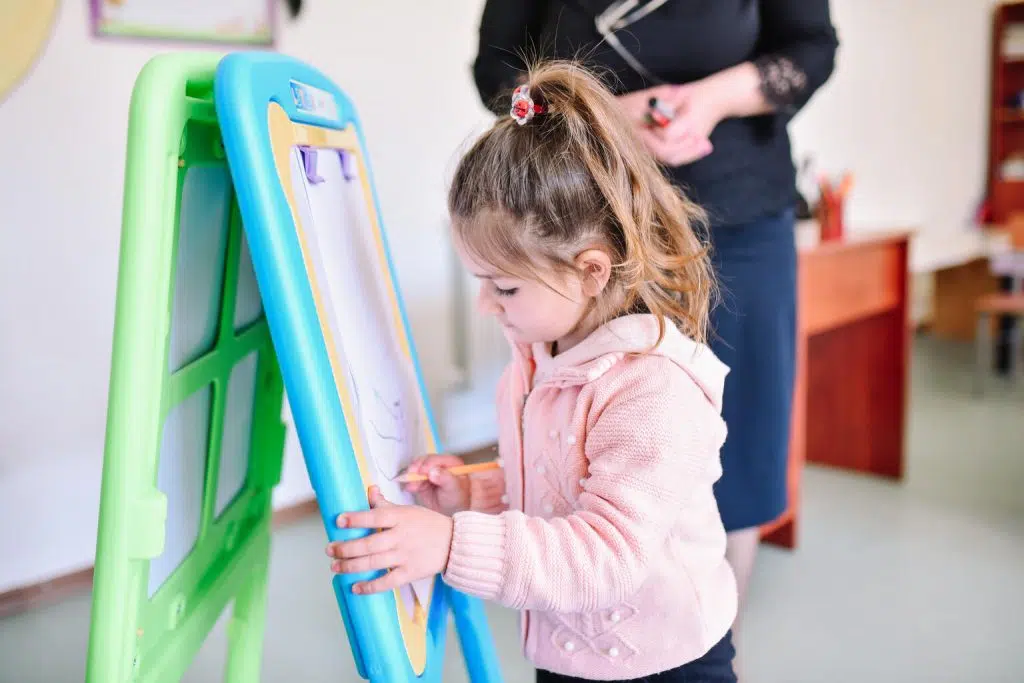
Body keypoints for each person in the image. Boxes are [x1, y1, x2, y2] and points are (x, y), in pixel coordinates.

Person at [326, 61, 738, 682]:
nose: (486, 306)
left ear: (592, 270)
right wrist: (479, 494)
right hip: (569, 642)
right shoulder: (541, 355)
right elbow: (562, 476)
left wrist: (448, 544)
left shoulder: (653, 391)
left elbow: (605, 556)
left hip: (664, 660)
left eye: (506, 288)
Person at [469, 0, 839, 633]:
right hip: (593, 216)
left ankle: (709, 638)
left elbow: (809, 47)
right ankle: (605, 627)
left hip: (740, 214)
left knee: (742, 441)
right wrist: (605, 119)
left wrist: (711, 99)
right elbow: (497, 74)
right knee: (588, 434)